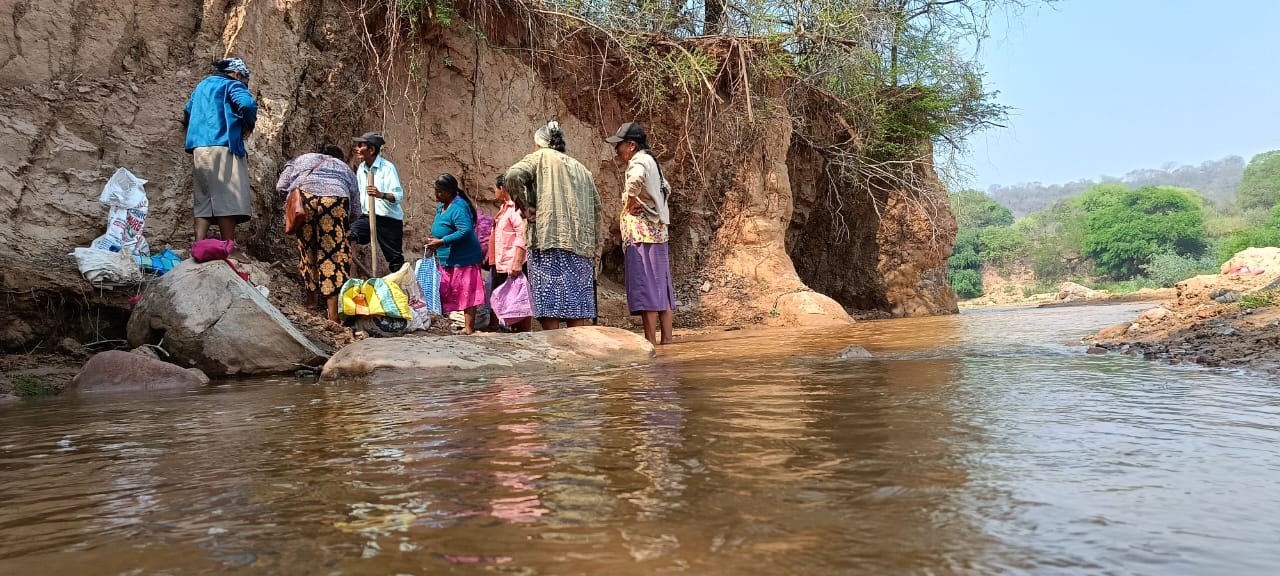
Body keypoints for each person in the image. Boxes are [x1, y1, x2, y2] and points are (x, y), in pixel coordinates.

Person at [503, 120, 602, 330]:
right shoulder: (582, 169)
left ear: (539, 145)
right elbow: (597, 209)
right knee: (577, 307)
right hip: (580, 247)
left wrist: (523, 207)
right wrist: (596, 245)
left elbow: (512, 175)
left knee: (550, 305)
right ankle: (578, 356)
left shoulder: (539, 158)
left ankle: (556, 353)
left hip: (548, 240)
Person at [275, 145, 362, 324]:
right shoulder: (345, 168)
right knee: (333, 255)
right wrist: (344, 224)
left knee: (307, 248)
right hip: (335, 199)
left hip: (305, 197)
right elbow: (356, 210)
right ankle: (333, 314)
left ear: (321, 152)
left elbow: (281, 186)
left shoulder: (302, 159)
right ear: (340, 158)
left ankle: (312, 301)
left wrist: (292, 201)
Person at [607, 122, 676, 345]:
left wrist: (630, 201)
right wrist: (653, 205)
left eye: (620, 146)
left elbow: (635, 180)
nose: (617, 151)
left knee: (646, 286)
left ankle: (650, 342)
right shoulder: (652, 161)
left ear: (632, 146)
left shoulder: (638, 161)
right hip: (658, 232)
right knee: (661, 286)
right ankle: (667, 340)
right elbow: (667, 188)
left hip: (643, 234)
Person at [183, 57, 258, 243]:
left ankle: (199, 244)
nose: (245, 86)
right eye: (245, 82)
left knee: (204, 200)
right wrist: (248, 124)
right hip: (224, 144)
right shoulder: (232, 85)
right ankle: (229, 246)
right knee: (227, 198)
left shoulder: (202, 86)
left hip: (199, 148)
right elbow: (247, 105)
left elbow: (187, 110)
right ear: (238, 74)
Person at [427, 174, 486, 334]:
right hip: (449, 258)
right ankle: (450, 322)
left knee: (468, 292)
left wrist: (442, 241)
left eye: (440, 191)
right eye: (436, 190)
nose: (436, 194)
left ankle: (468, 328)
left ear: (449, 192)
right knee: (448, 290)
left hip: (464, 258)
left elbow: (465, 230)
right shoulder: (443, 205)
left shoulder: (458, 207)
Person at [348, 132, 406, 273]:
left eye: (361, 145)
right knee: (349, 237)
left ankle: (404, 291)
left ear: (372, 150)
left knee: (395, 261)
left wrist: (381, 195)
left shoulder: (387, 168)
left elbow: (398, 195)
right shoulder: (361, 168)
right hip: (368, 217)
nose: (357, 148)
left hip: (388, 220)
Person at [490, 174, 532, 332]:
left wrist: (517, 261)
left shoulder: (515, 209)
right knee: (509, 299)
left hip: (513, 263)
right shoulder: (504, 208)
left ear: (502, 189)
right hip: (503, 262)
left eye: (496, 188)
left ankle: (524, 334)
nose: (494, 191)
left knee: (519, 300)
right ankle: (513, 332)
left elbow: (523, 234)